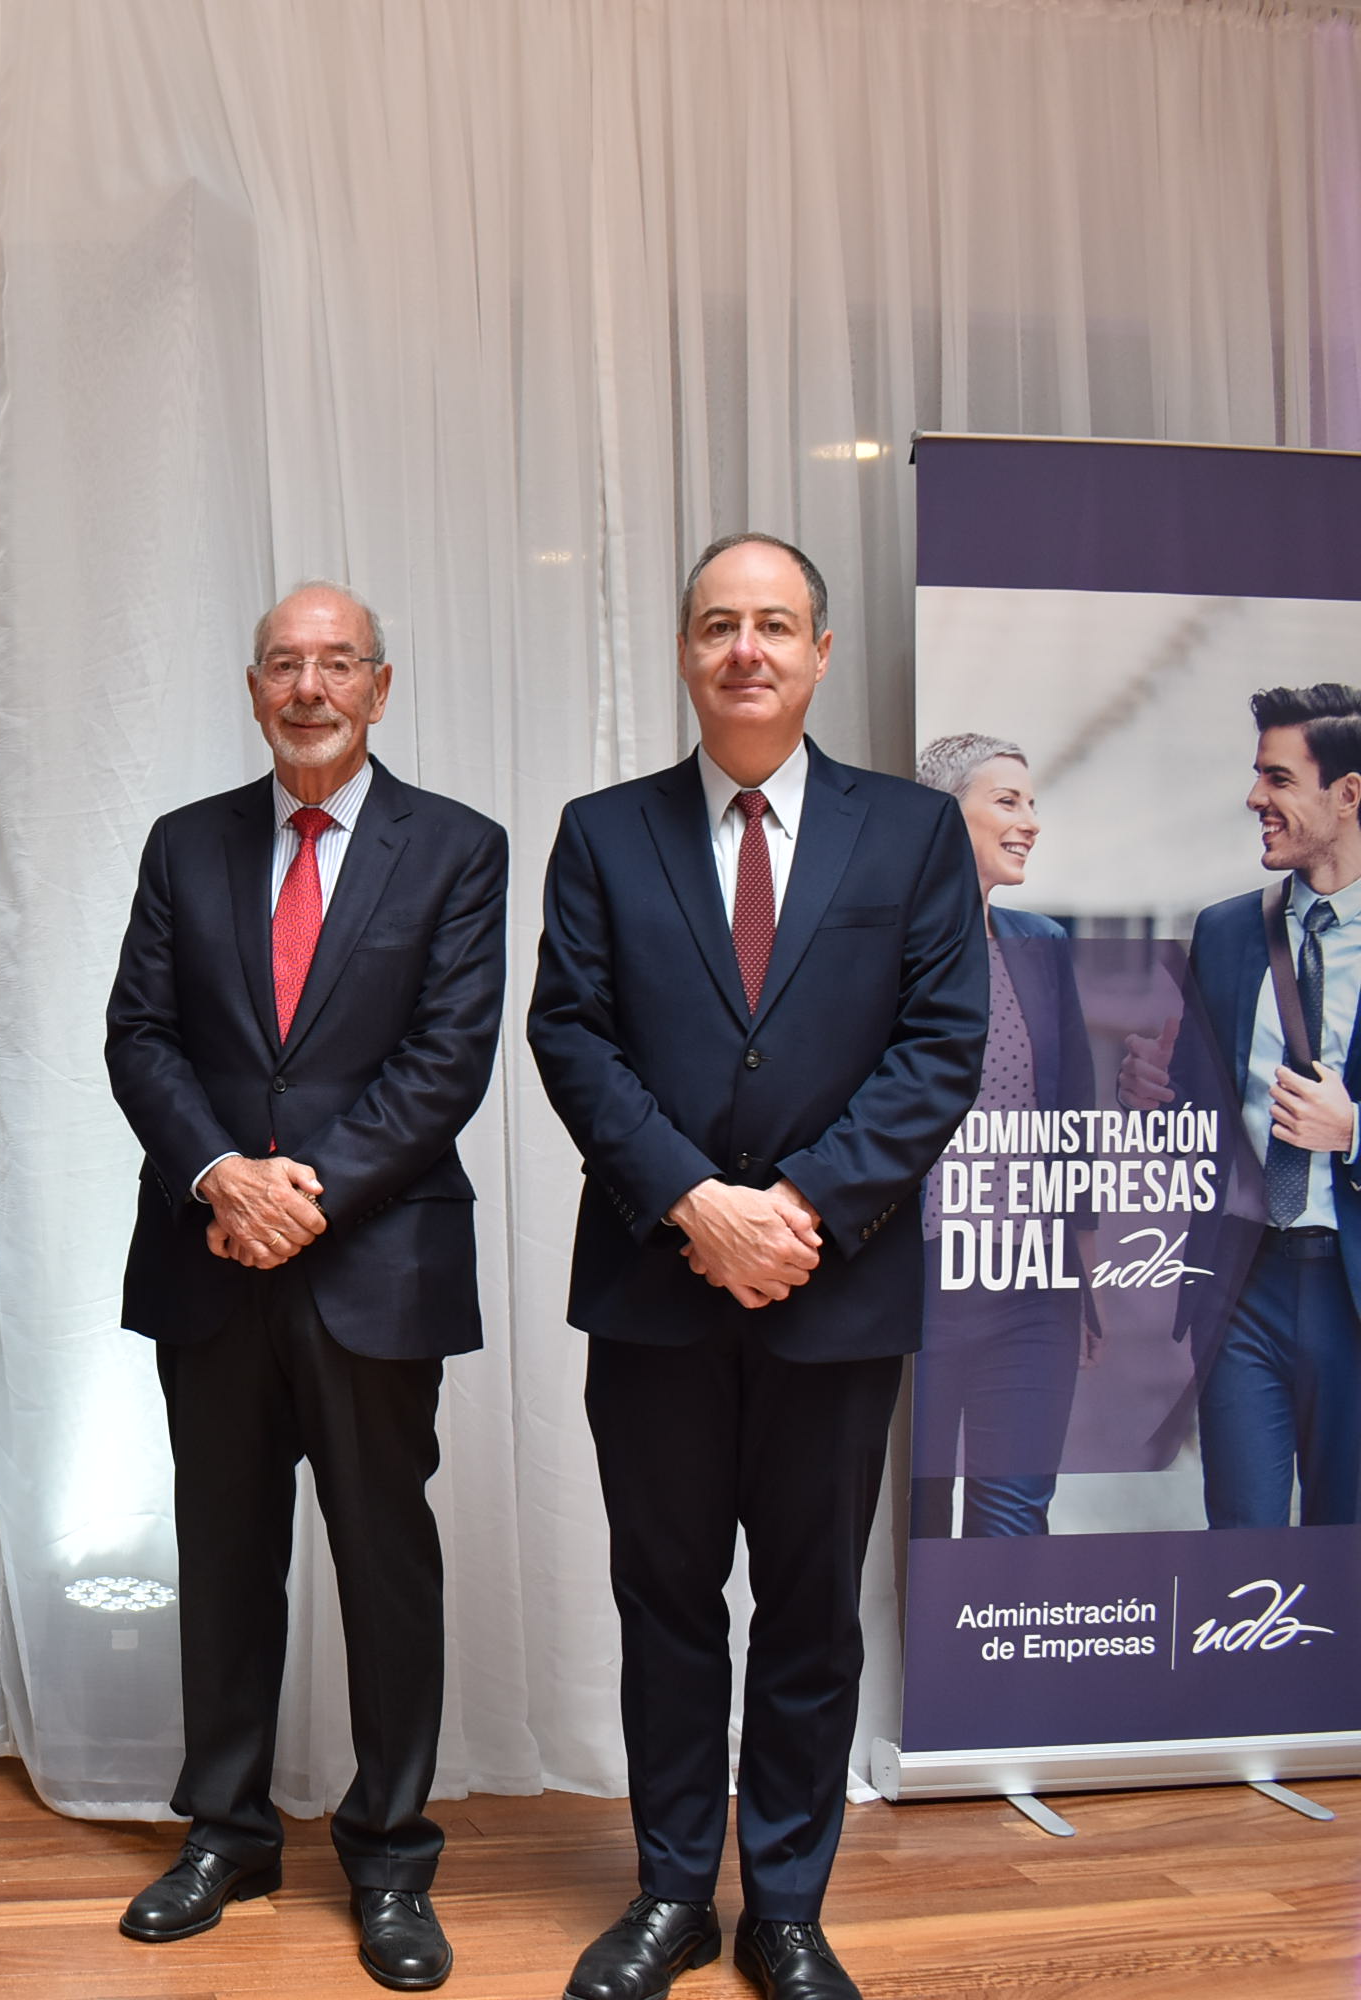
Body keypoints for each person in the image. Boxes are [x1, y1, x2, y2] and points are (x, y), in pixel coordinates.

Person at [527, 534, 985, 2000]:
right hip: (654, 1292)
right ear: (684, 651)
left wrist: (797, 1207)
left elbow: (941, 1045)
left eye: (775, 625)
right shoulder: (603, 832)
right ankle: (672, 1895)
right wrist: (693, 1205)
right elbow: (570, 1034)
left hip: (834, 1291)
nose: (746, 649)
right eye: (719, 624)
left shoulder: (912, 833)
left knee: (807, 1608)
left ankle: (786, 1906)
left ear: (819, 653)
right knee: (665, 1604)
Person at [104, 581, 506, 1991]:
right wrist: (223, 1176)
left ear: (380, 688)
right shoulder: (184, 843)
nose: (309, 688)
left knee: (384, 1561)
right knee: (222, 1554)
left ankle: (390, 1856)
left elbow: (448, 1059)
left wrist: (302, 1196)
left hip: (375, 1266)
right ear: (254, 688)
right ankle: (227, 1832)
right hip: (209, 1258)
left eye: (338, 664)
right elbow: (139, 1036)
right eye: (284, 663)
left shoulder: (456, 848)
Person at [1135, 686, 1361, 1529]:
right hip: (1242, 1286)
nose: (1254, 797)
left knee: (1347, 1549)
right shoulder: (1227, 932)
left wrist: (1353, 1130)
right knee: (1241, 1542)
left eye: (1278, 778)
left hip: (1351, 1291)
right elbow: (1195, 1118)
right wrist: (1149, 1095)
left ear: (1349, 793)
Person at [907, 735, 1092, 1538]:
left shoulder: (1041, 944)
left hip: (1031, 1282)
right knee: (917, 1519)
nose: (1031, 822)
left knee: (1014, 1520)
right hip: (918, 1282)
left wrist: (1081, 1272)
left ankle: (1002, 1637)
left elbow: (1071, 1109)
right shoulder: (884, 947)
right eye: (1008, 801)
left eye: (1032, 803)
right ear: (945, 816)